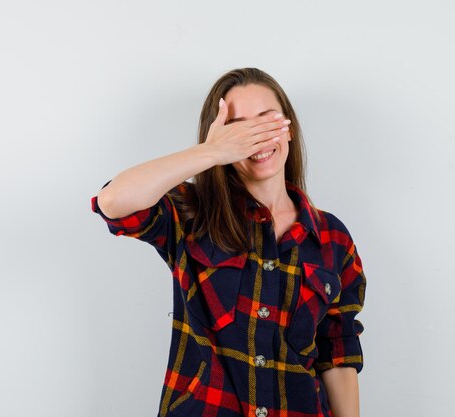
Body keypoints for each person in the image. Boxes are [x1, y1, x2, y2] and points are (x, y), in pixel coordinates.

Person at [91, 67, 367, 417]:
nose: (255, 138)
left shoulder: (332, 237)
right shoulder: (192, 214)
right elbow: (112, 203)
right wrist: (210, 153)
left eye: (267, 121)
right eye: (238, 128)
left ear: (290, 128)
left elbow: (337, 352)